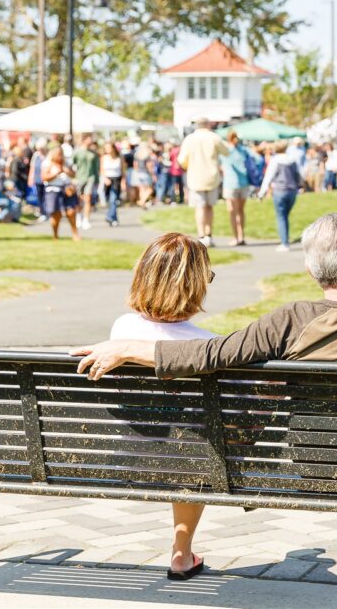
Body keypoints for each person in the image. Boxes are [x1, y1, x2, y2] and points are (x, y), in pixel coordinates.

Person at [71, 212, 337, 583]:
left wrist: (127, 348)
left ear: (310, 268)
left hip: (308, 460)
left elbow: (210, 354)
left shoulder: (288, 320)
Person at [102, 232, 218, 580]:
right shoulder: (206, 344)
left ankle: (183, 552)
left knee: (181, 448)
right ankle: (181, 554)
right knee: (192, 451)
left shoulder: (121, 329)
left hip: (131, 448)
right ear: (195, 286)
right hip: (185, 459)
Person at [178, 118, 230, 247]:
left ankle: (201, 235)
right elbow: (226, 151)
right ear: (208, 125)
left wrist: (188, 166)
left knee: (200, 207)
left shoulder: (190, 139)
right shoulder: (214, 137)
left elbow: (182, 160)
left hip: (195, 177)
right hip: (212, 176)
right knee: (209, 207)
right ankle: (208, 234)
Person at [258, 140, 302, 252]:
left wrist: (261, 193)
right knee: (285, 216)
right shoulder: (292, 159)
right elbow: (298, 174)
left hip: (280, 191)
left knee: (281, 217)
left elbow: (268, 177)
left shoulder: (275, 160)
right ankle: (285, 237)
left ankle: (284, 243)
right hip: (292, 191)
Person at [41, 146, 81, 241]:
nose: (60, 156)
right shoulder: (48, 163)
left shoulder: (67, 163)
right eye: (58, 154)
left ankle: (75, 233)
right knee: (56, 214)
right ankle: (55, 235)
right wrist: (56, 173)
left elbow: (74, 174)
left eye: (61, 154)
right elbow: (44, 177)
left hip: (67, 188)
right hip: (53, 190)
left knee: (71, 211)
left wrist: (66, 171)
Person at [221, 131, 251, 246]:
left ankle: (235, 237)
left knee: (232, 212)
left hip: (230, 184)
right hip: (244, 183)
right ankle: (241, 236)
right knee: (241, 211)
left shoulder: (226, 151)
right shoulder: (243, 150)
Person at [72, 135, 100, 230]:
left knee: (88, 198)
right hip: (80, 178)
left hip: (90, 178)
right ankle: (79, 216)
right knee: (79, 200)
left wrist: (97, 180)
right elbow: (72, 164)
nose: (91, 140)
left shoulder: (93, 153)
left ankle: (86, 219)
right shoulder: (77, 152)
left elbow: (97, 167)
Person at [101, 142, 124, 227]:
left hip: (116, 180)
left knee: (113, 200)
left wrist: (123, 182)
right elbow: (102, 170)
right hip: (107, 180)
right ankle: (115, 219)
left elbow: (122, 170)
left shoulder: (119, 158)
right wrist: (105, 179)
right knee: (110, 201)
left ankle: (109, 216)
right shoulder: (104, 158)